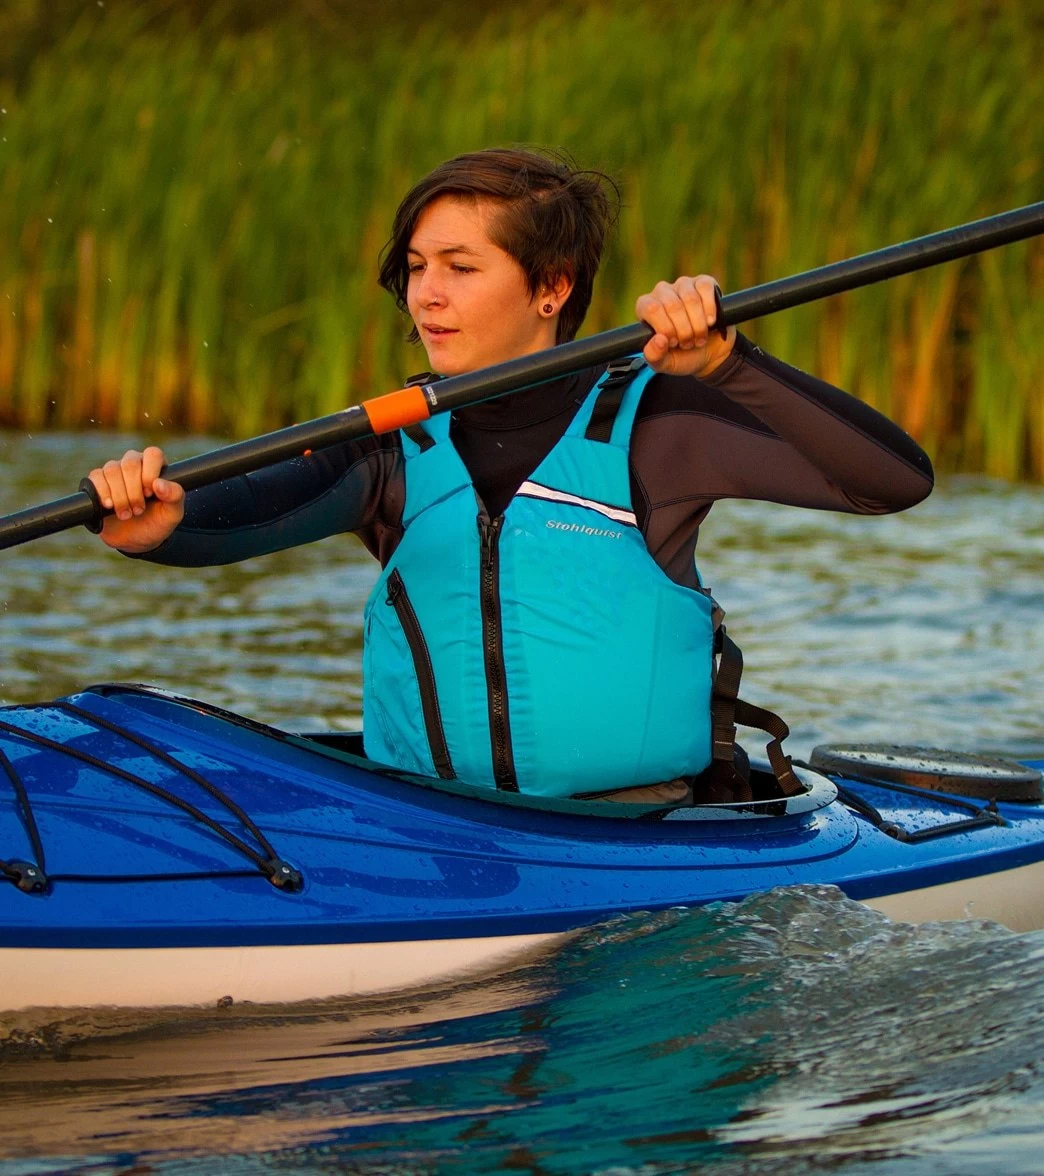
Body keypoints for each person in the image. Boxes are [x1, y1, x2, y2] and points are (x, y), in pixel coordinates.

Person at [86, 147, 934, 806]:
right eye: (417, 266)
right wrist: (160, 524)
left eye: (460, 267)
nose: (426, 295)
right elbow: (238, 514)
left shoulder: (658, 429)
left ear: (551, 288)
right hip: (432, 826)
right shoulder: (390, 448)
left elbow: (891, 481)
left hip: (639, 831)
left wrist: (728, 363)